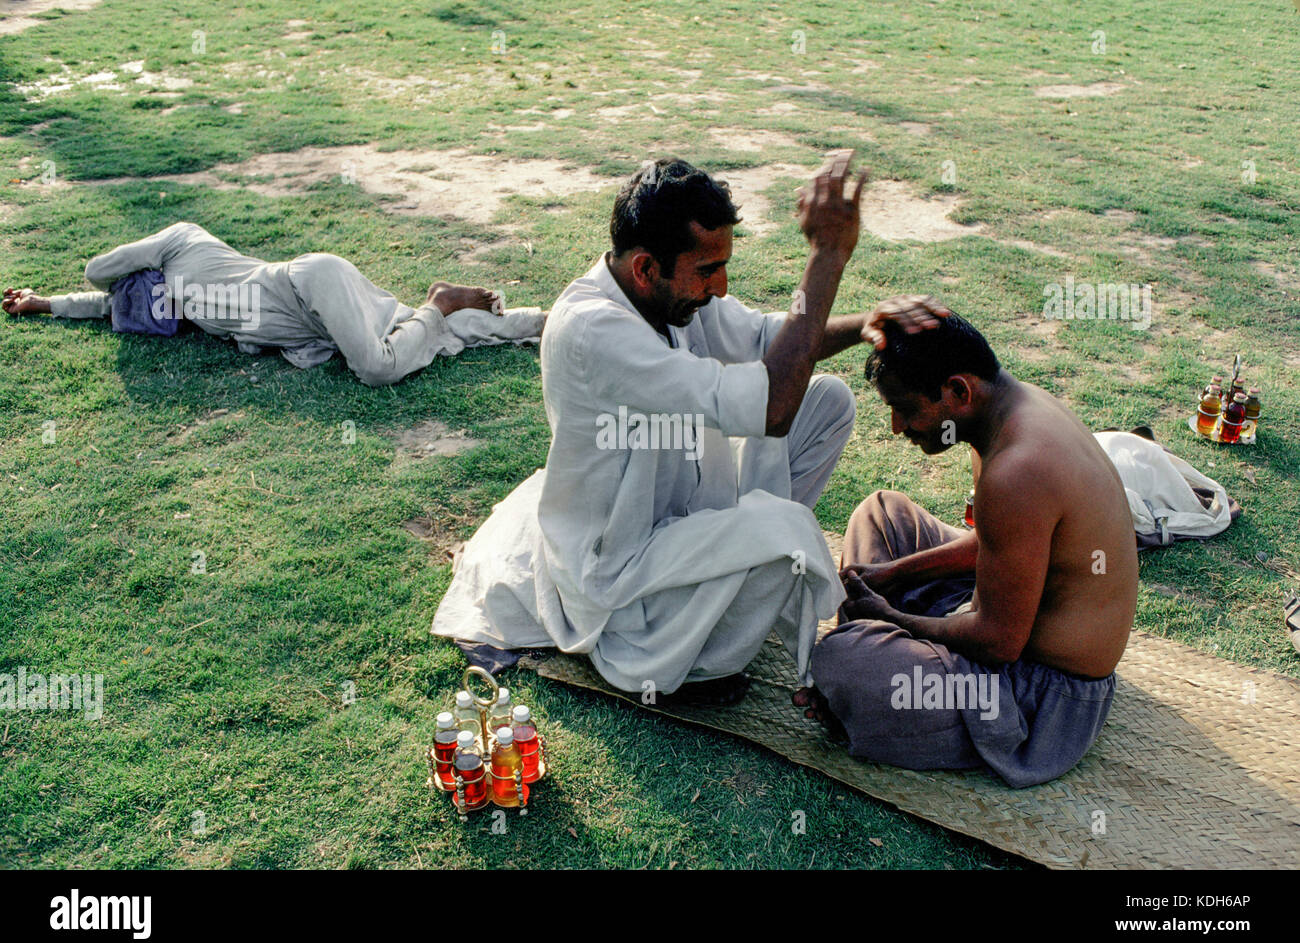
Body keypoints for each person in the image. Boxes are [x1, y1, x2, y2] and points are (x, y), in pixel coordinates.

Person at [434, 151, 940, 704]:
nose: (720, 288)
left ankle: (730, 582)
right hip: (624, 564)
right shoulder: (593, 330)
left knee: (827, 402)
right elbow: (771, 407)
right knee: (788, 532)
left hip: (686, 508)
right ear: (646, 268)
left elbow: (773, 344)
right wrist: (827, 258)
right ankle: (686, 659)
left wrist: (867, 324)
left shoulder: (673, 297)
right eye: (707, 270)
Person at [794, 311, 1138, 787]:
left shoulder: (1018, 470)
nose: (897, 427)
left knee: (842, 664)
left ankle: (865, 679)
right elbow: (995, 543)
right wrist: (892, 575)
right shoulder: (1004, 409)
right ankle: (874, 666)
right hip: (999, 621)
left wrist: (890, 617)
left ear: (958, 391)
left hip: (1034, 693)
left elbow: (999, 644)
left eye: (906, 408)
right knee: (882, 513)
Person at [3, 221, 545, 386]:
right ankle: (550, 321)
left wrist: (141, 261)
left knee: (378, 369)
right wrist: (44, 304)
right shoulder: (170, 302)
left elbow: (97, 272)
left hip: (307, 282)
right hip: (309, 319)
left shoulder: (181, 240)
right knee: (435, 336)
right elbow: (106, 302)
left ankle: (440, 300)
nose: (139, 298)